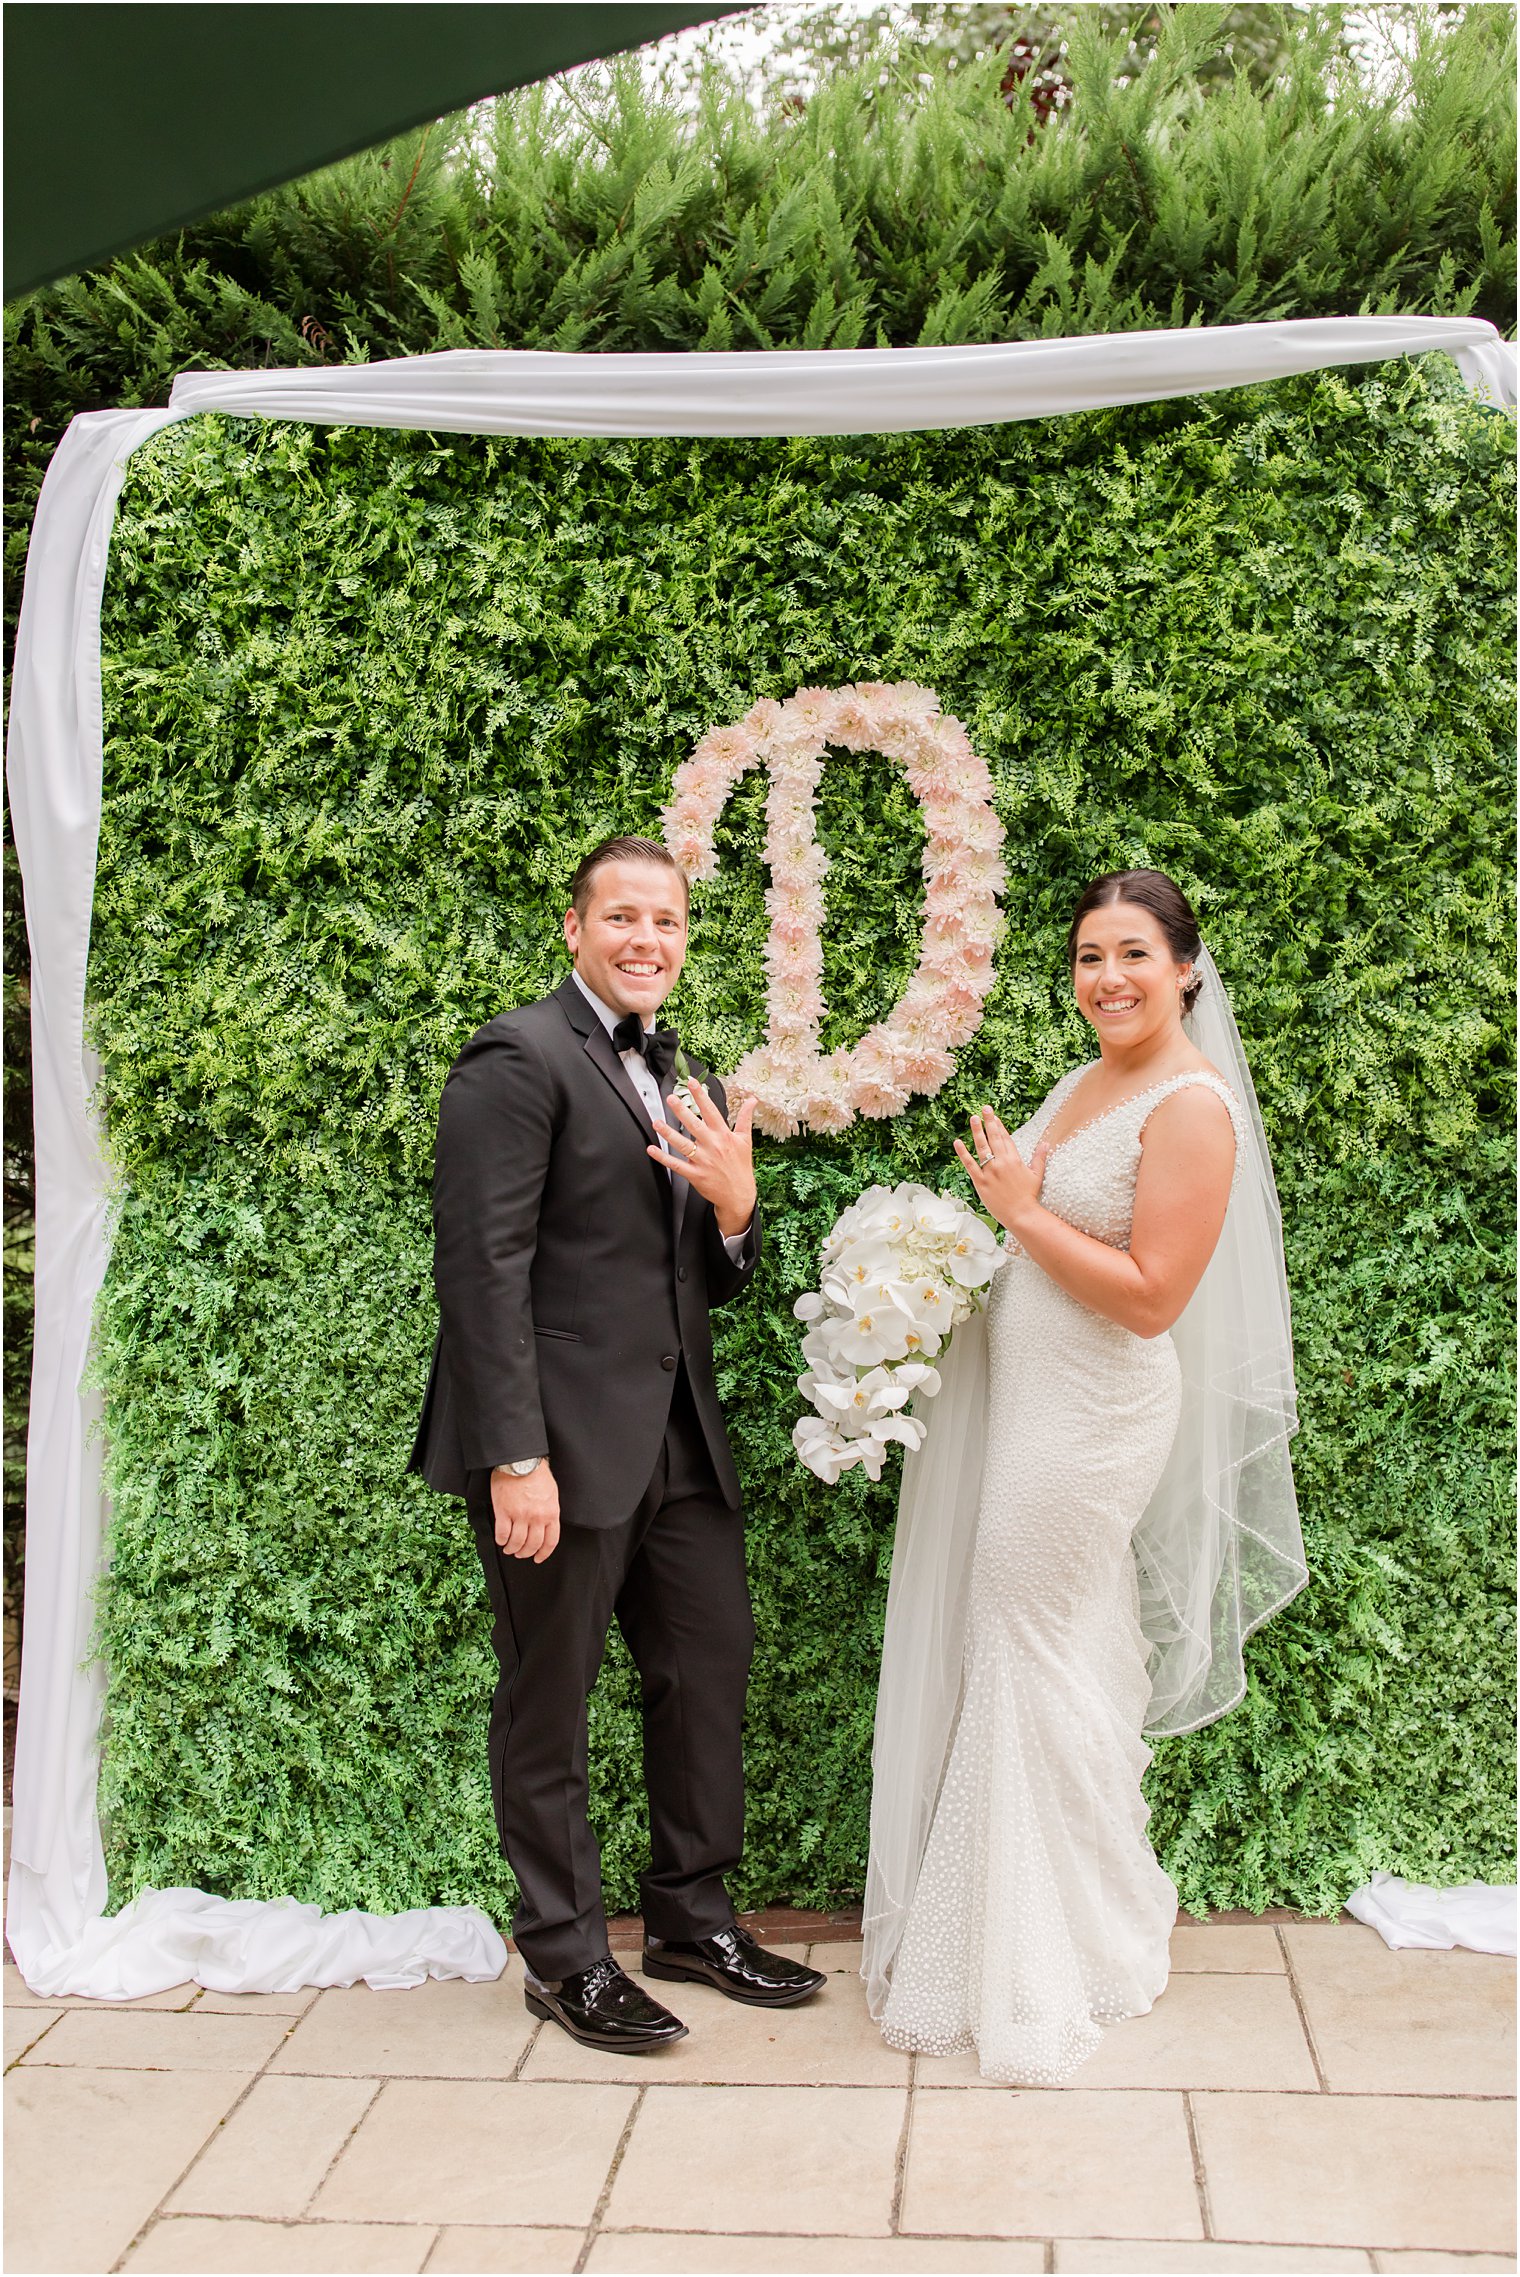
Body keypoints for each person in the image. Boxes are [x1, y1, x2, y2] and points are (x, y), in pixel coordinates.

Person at [862, 870, 1307, 2084]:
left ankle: (1031, 1951)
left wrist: (1013, 1210)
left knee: (1024, 1638)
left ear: (1184, 968)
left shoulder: (1191, 1107)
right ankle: (1091, 1924)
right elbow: (1031, 1242)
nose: (1104, 979)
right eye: (1084, 958)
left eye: (1129, 955)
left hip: (1096, 1413)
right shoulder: (1089, 1080)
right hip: (1031, 1403)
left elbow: (1152, 1295)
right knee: (1053, 1644)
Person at [411, 833, 825, 2051]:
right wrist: (514, 1455)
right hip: (559, 1449)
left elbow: (693, 1271)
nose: (648, 940)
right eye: (624, 917)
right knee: (549, 1699)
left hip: (678, 1441)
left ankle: (691, 1920)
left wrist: (738, 1215)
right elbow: (479, 1270)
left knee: (708, 1671)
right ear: (575, 928)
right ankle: (564, 1957)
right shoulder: (515, 1056)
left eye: (670, 921)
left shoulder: (672, 1068)